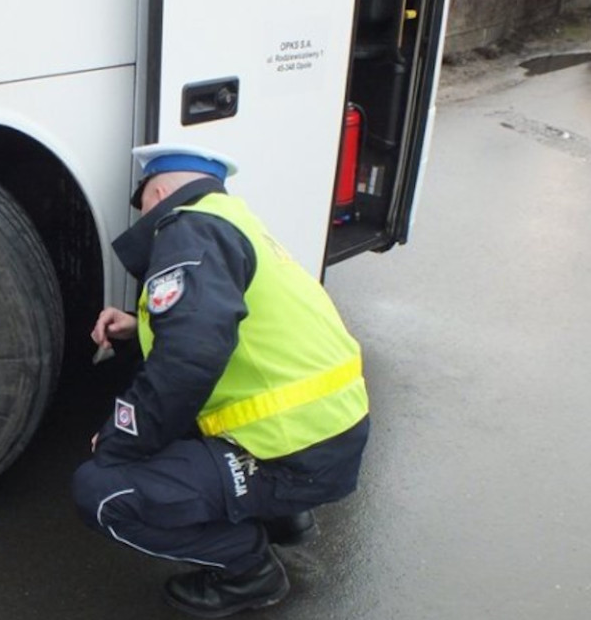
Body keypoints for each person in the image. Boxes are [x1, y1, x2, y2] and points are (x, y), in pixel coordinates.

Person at [72, 144, 371, 617]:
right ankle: (283, 516)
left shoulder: (186, 227)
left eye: (144, 203)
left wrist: (118, 440)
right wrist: (138, 326)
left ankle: (248, 571)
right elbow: (230, 327)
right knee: (178, 417)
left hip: (294, 452)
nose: (144, 216)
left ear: (162, 192)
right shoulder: (232, 221)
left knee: (103, 492)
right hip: (329, 430)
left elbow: (188, 359)